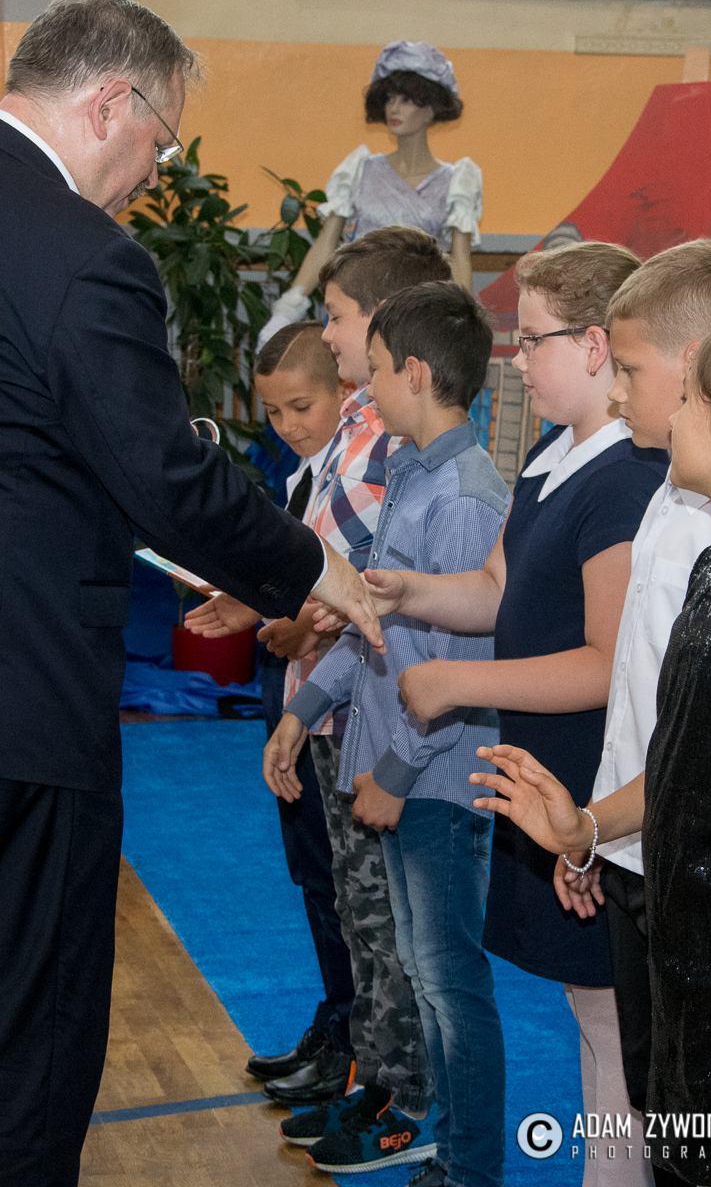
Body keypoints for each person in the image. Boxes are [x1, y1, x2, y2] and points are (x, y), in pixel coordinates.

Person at [0, 0, 382, 1186]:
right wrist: (313, 565)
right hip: (26, 703)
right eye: (160, 145)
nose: (152, 178)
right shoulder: (79, 253)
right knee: (31, 1035)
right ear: (109, 102)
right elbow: (165, 474)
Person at [332, 243, 670, 1185]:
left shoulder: (624, 479)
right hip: (545, 780)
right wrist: (407, 592)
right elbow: (493, 589)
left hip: (595, 785)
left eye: (535, 339)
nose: (517, 361)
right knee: (590, 1016)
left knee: (614, 1026)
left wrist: (460, 685)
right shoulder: (553, 457)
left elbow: (605, 662)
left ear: (596, 347)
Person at [471, 312, 711, 1187]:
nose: (655, 411)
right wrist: (582, 825)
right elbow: (684, 764)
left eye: (688, 399)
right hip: (687, 961)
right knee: (676, 1157)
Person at [186, 227, 451, 1117]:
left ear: (381, 322)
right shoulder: (350, 440)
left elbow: (369, 581)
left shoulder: (390, 445)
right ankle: (354, 1049)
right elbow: (324, 563)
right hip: (324, 700)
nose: (327, 332)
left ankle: (387, 1081)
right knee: (341, 897)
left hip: (366, 714)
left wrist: (296, 616)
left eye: (336, 316)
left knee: (382, 919)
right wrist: (268, 608)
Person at [267, 282, 511, 1184]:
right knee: (413, 963)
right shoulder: (409, 472)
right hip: (395, 767)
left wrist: (396, 773)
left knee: (449, 981)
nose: (361, 391)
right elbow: (373, 621)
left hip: (437, 783)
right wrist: (302, 710)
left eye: (370, 374)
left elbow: (453, 667)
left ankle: (470, 1163)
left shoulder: (467, 498)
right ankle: (435, 1134)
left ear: (414, 373)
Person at [550, 240, 711, 1187]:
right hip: (640, 843)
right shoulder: (669, 493)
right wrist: (595, 831)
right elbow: (650, 710)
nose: (616, 391)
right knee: (656, 1098)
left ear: (697, 368)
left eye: (631, 370)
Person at [260, 40, 481, 347]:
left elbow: (459, 262)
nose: (394, 107)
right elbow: (327, 243)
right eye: (390, 98)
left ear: (432, 107)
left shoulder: (457, 182)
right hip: (356, 313)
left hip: (416, 323)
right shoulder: (360, 171)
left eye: (407, 99)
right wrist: (287, 309)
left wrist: (461, 327)